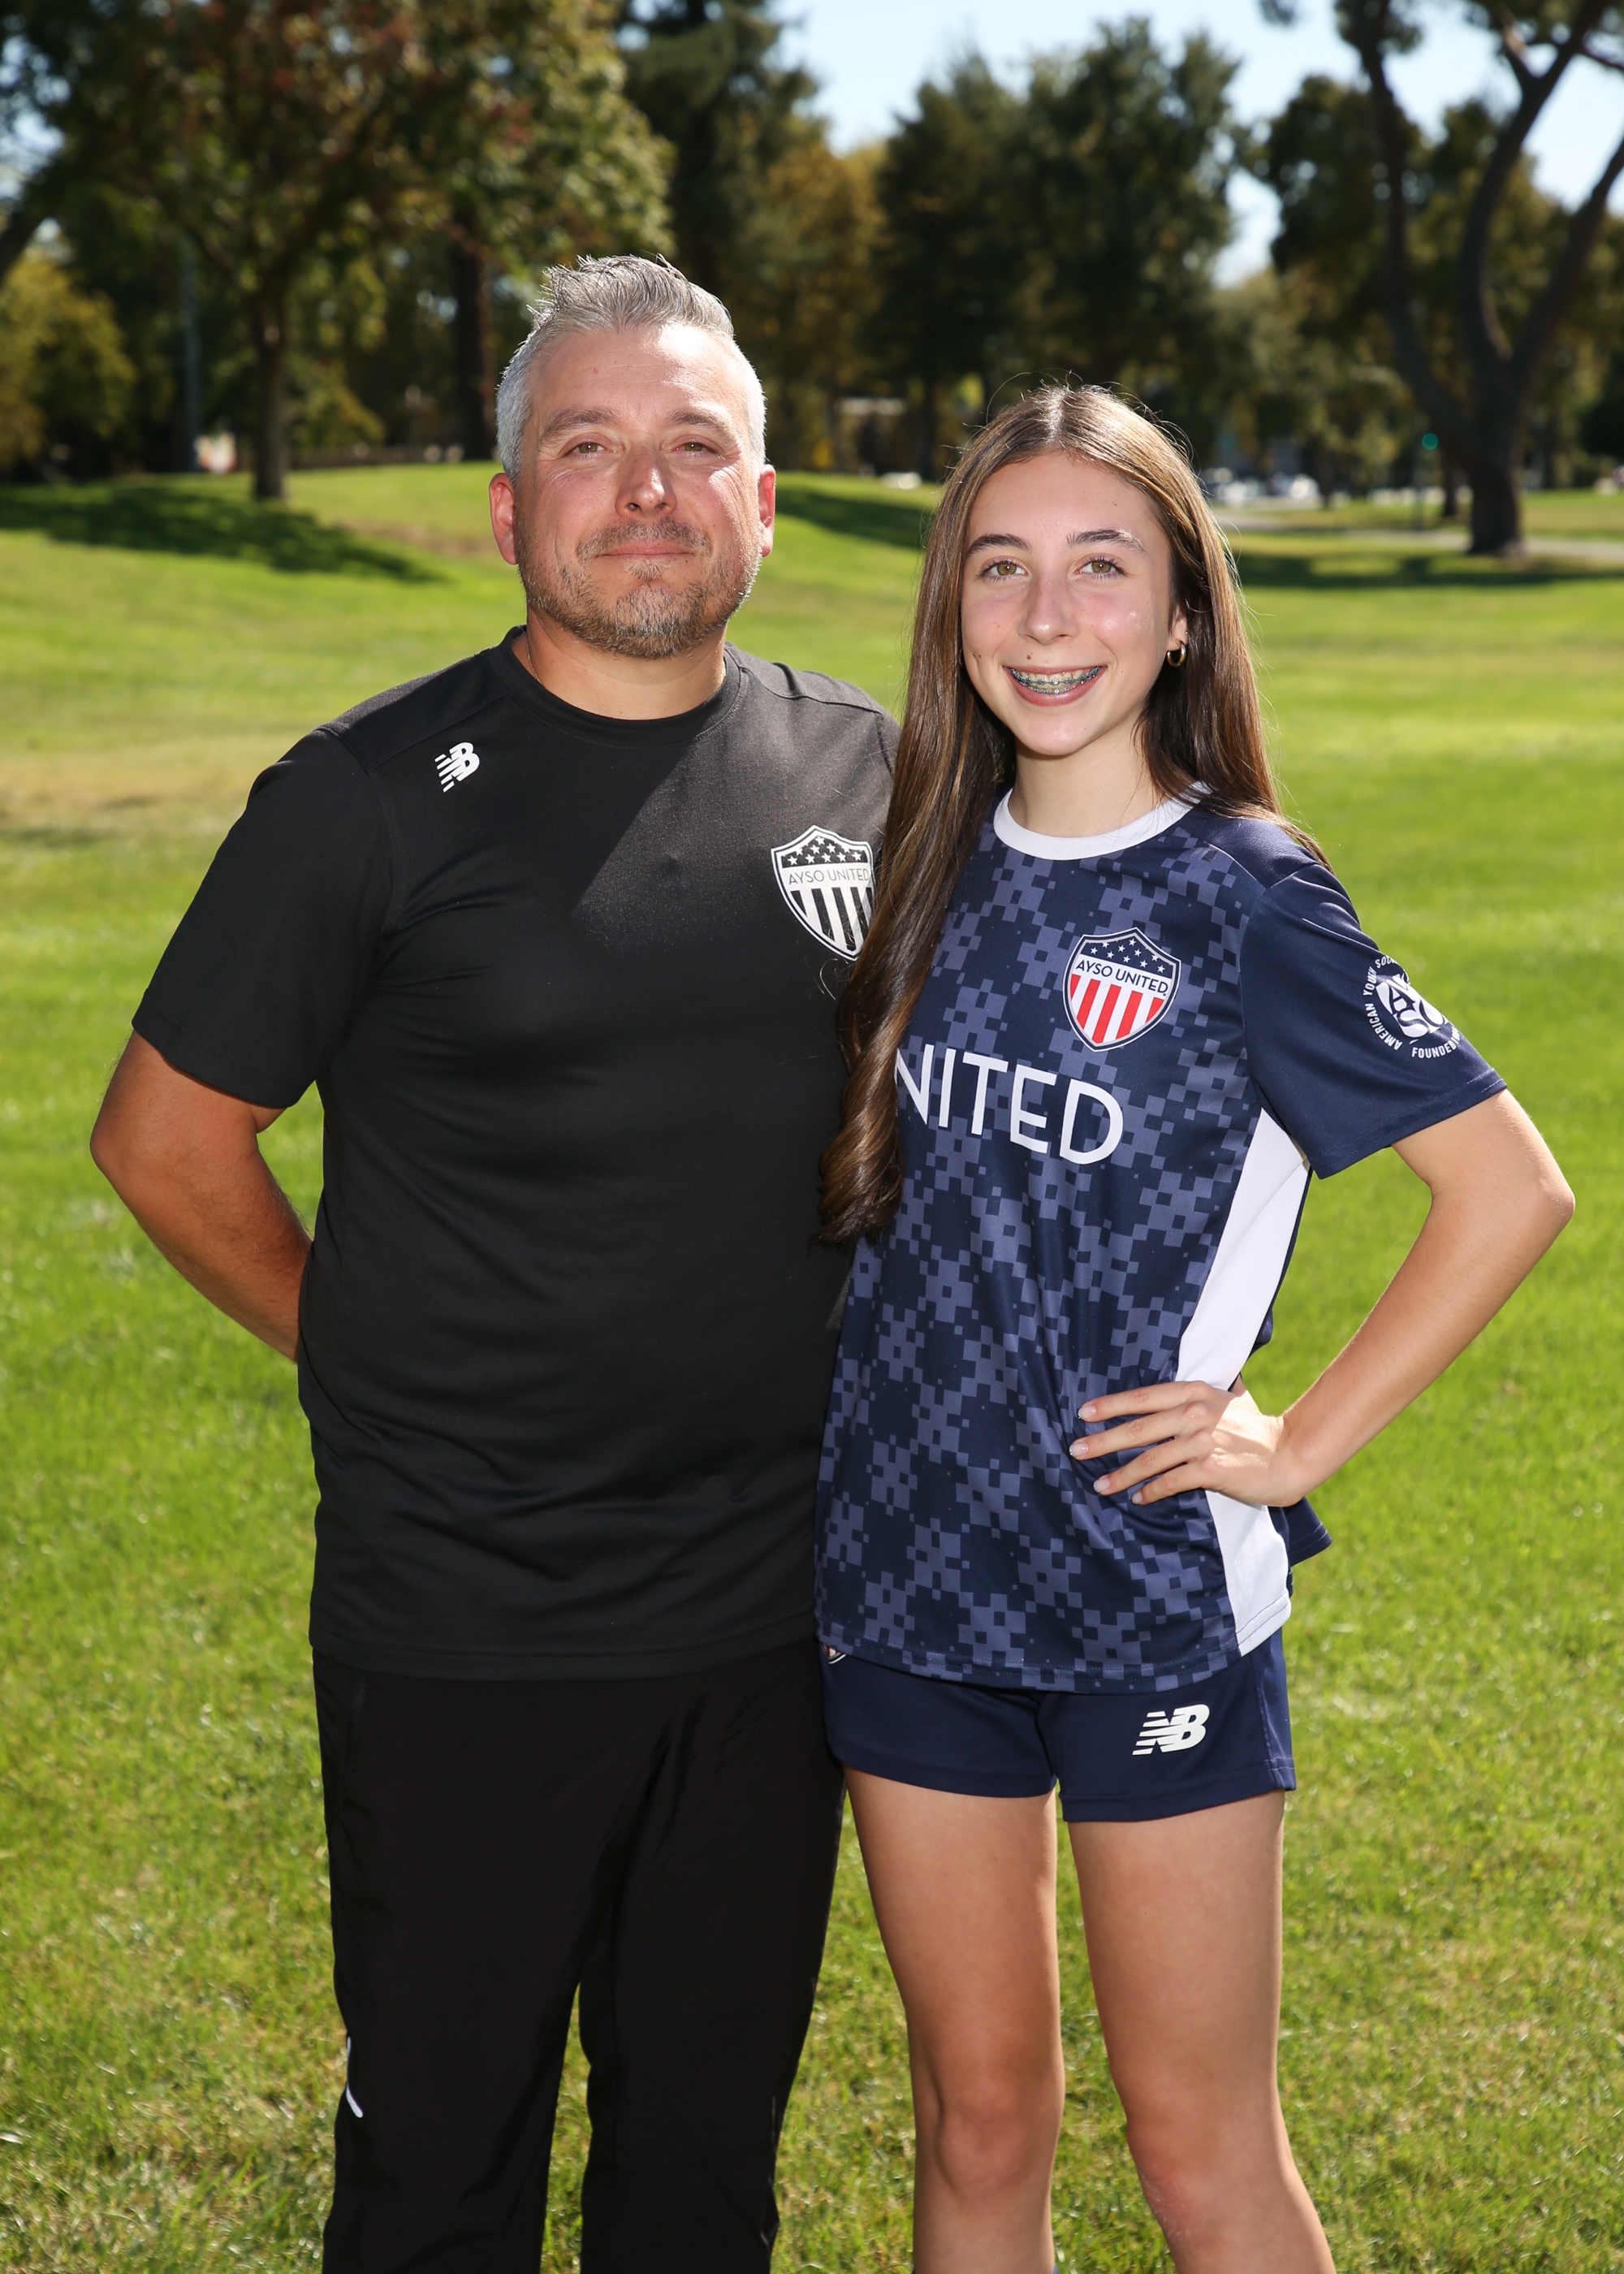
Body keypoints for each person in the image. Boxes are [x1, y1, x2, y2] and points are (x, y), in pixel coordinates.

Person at [89, 254, 895, 2273]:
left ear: (766, 502)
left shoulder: (875, 777)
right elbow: (165, 1140)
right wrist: (356, 1340)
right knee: (440, 2178)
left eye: (694, 446)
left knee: (701, 2173)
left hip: (773, 1619)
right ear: (509, 505)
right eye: (589, 446)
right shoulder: (364, 796)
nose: (647, 490)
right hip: (466, 1623)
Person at [813, 385, 1573, 2274]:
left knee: (1197, 2142)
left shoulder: (1246, 893)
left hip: (1142, 1592)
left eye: (1101, 567)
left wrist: (1292, 1440)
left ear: (1179, 615)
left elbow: (1507, 1189)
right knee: (976, 2115)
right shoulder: (922, 854)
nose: (1045, 616)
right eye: (1001, 566)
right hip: (904, 1588)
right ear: (951, 603)